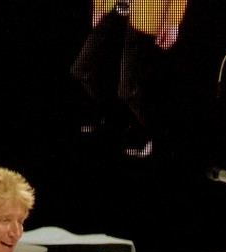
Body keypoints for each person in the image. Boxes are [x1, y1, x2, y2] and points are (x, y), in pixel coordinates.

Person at [71, 0, 188, 158]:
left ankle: (148, 136)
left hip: (146, 16)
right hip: (114, 9)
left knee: (129, 89)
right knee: (82, 70)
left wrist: (173, 21)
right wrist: (99, 5)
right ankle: (116, 121)